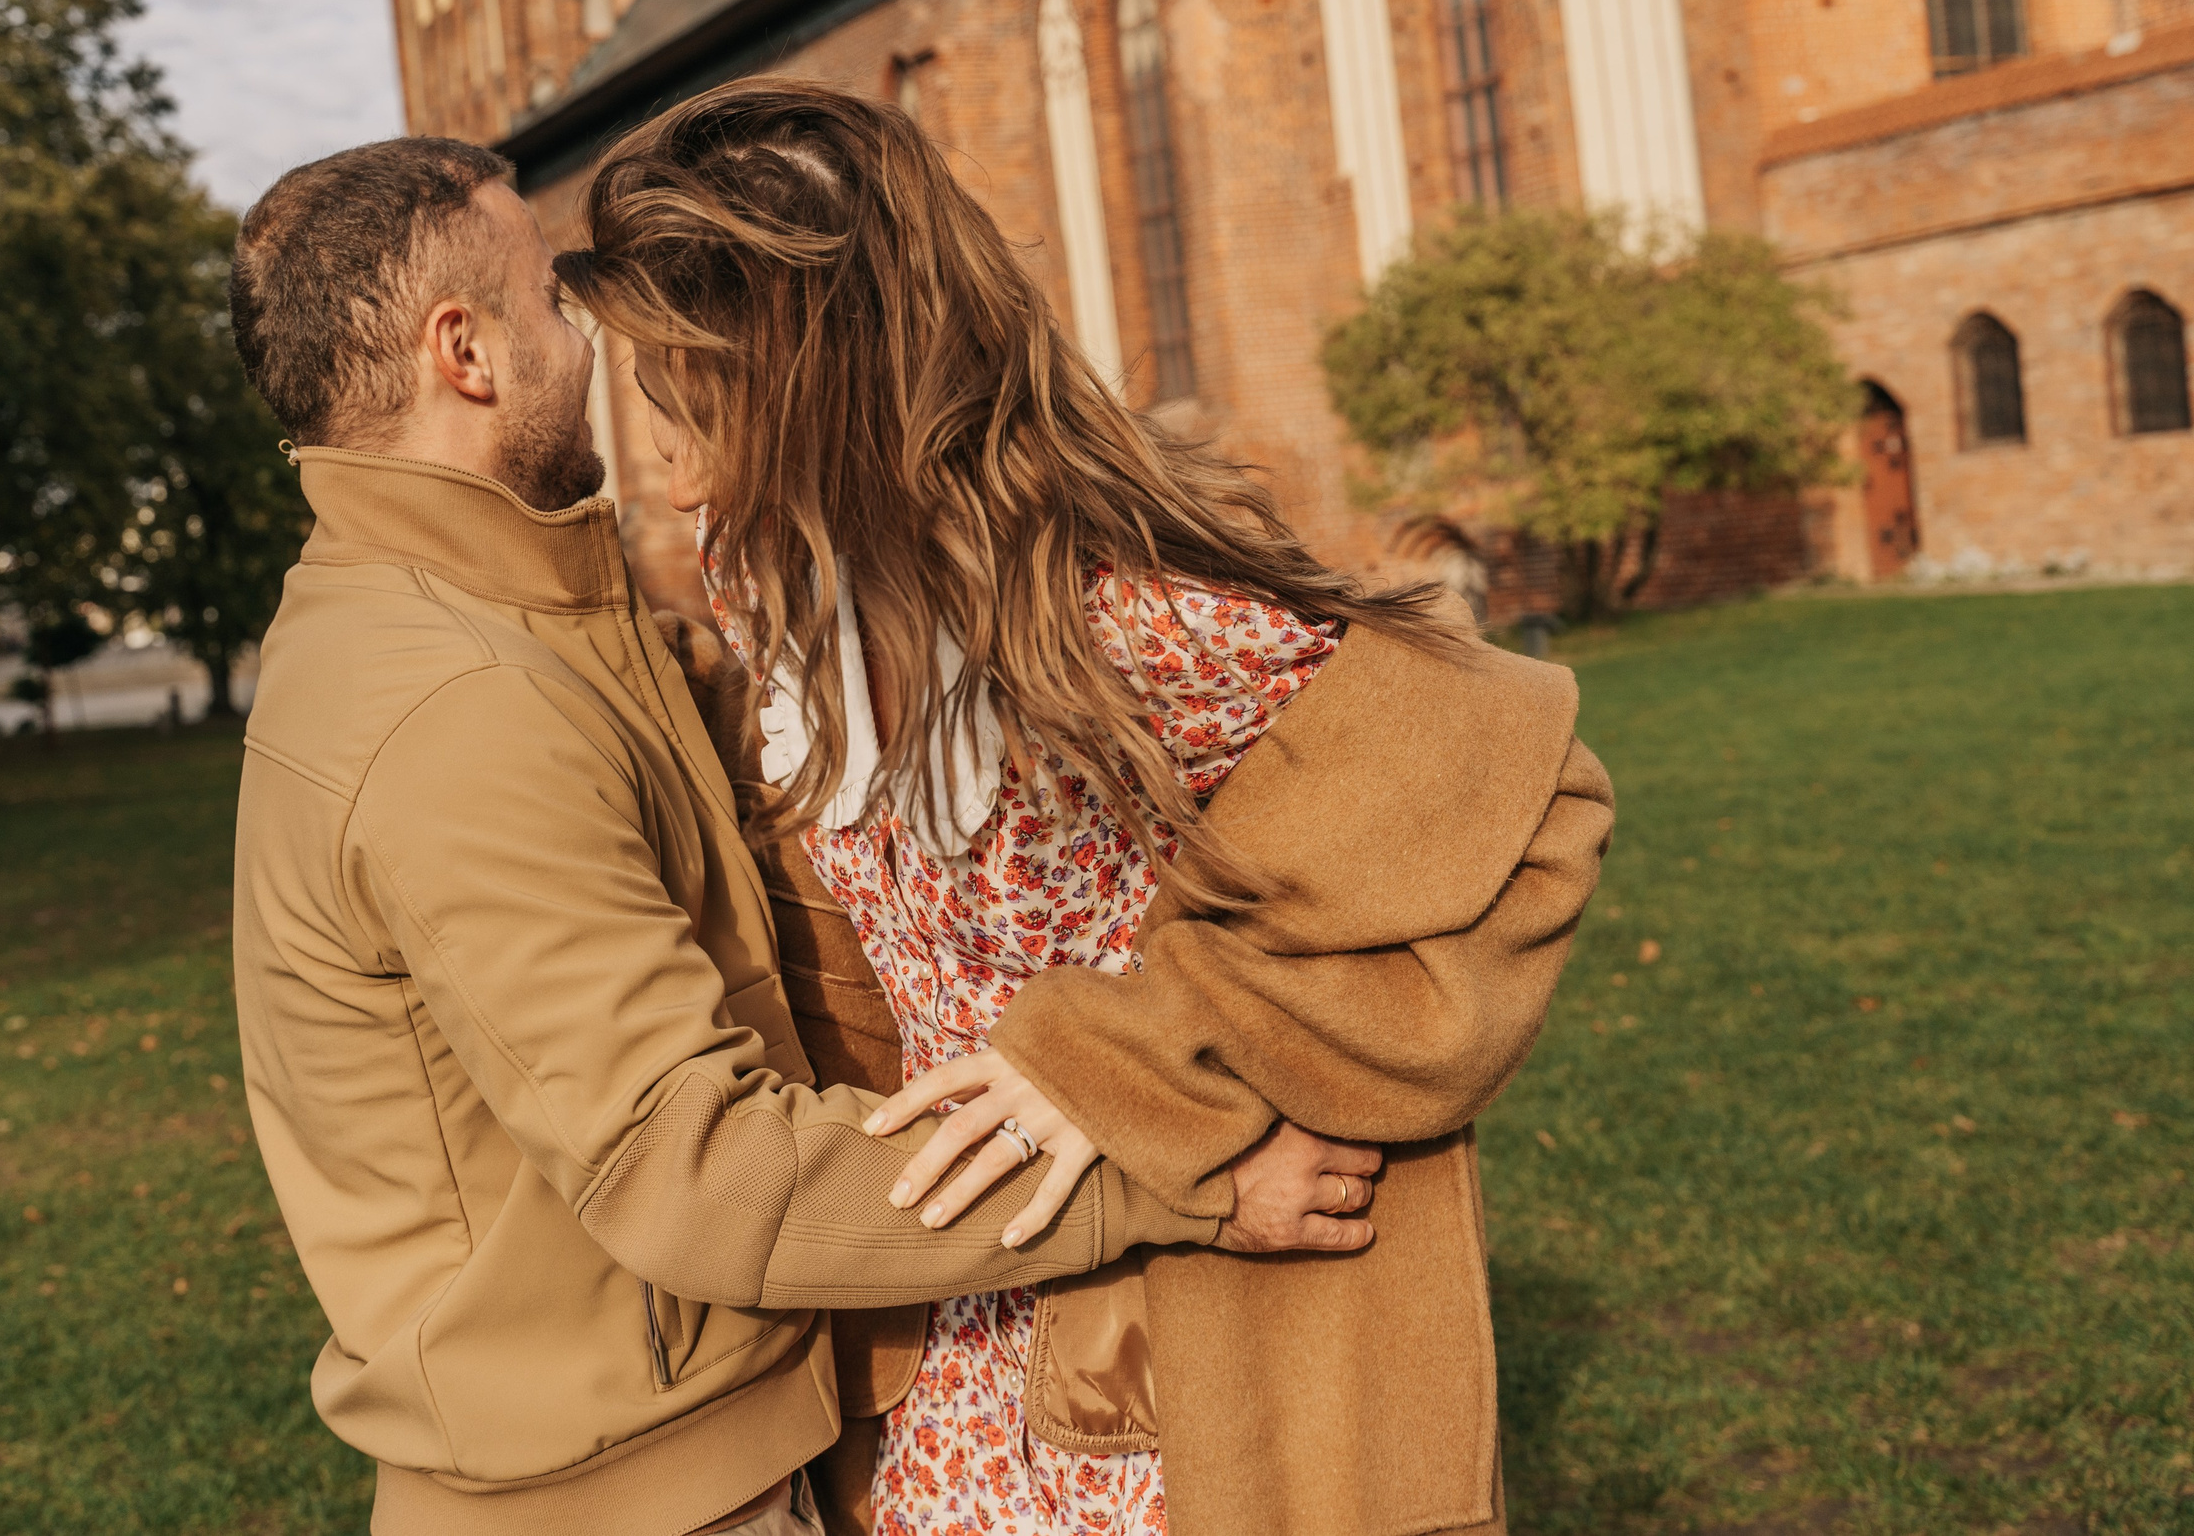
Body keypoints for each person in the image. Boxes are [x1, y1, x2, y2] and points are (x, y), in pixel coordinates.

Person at [223, 137, 1387, 1536]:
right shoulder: (455, 702)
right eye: (550, 302)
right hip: (632, 1499)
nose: (585, 341)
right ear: (462, 350)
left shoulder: (482, 616)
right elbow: (694, 1168)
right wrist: (1176, 1167)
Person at [557, 82, 1614, 1536]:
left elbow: (1531, 799)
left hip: (1183, 1342)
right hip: (956, 1341)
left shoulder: (1108, 604)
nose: (658, 460)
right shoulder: (775, 587)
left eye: (686, 404)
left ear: (816, 382)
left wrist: (1121, 1054)